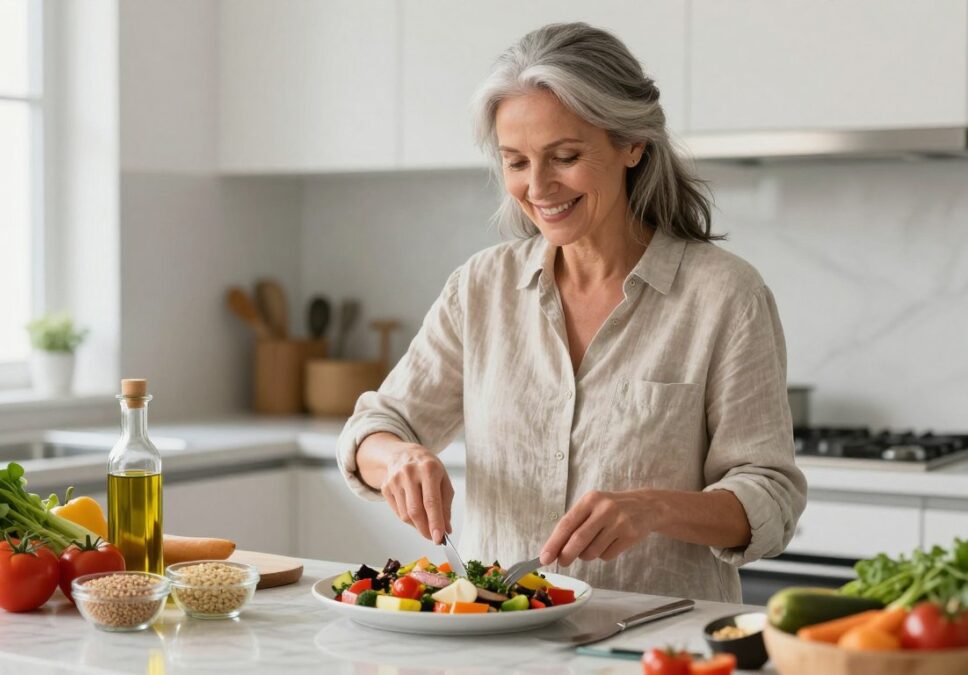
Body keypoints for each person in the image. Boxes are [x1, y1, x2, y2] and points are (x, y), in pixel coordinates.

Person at [335, 22, 806, 602]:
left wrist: (654, 507)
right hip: (499, 640)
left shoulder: (725, 296)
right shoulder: (482, 288)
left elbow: (772, 496)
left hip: (654, 640)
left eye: (565, 156)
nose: (538, 187)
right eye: (515, 162)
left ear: (632, 144)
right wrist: (399, 457)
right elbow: (372, 430)